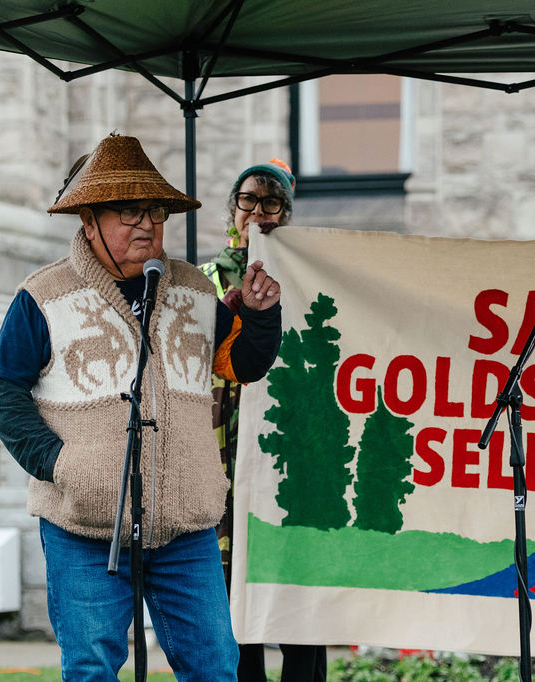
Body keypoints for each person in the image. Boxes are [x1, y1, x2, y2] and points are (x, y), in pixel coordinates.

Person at [0, 133, 282, 681]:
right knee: (93, 668)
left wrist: (261, 316)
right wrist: (60, 465)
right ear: (89, 219)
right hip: (82, 525)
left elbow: (241, 365)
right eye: (129, 212)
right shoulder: (41, 297)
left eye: (156, 211)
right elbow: (2, 391)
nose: (147, 224)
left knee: (217, 667)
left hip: (185, 525)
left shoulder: (194, 289)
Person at [201, 159, 327, 682]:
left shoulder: (311, 278)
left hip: (291, 455)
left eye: (272, 202)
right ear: (233, 210)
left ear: (287, 215)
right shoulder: (202, 281)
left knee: (299, 606)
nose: (259, 211)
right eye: (249, 199)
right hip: (224, 455)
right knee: (234, 610)